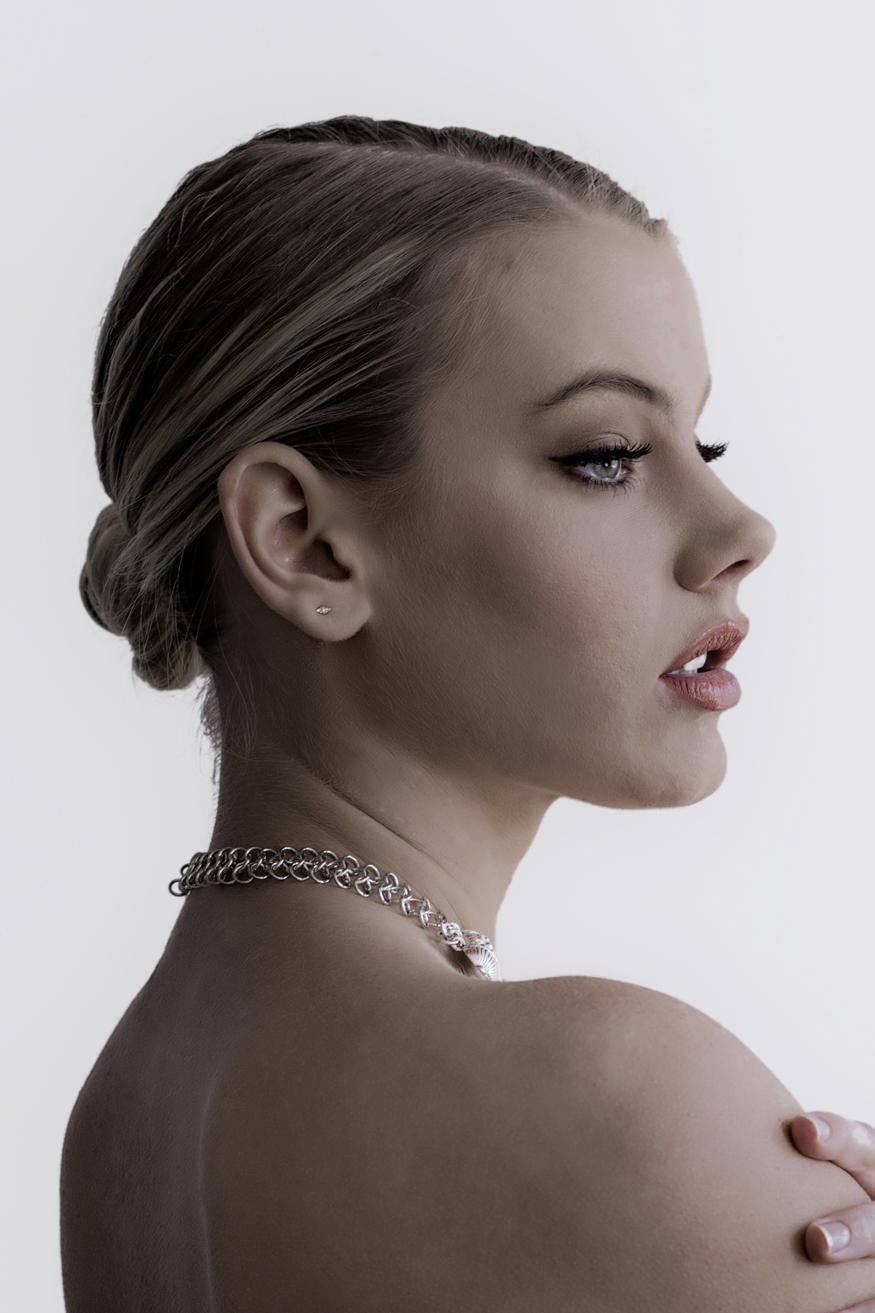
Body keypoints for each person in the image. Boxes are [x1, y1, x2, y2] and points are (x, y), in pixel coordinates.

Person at [61, 117, 875, 1311]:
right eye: (604, 454)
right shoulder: (619, 1097)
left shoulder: (128, 1120)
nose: (739, 528)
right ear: (303, 541)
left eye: (699, 440)